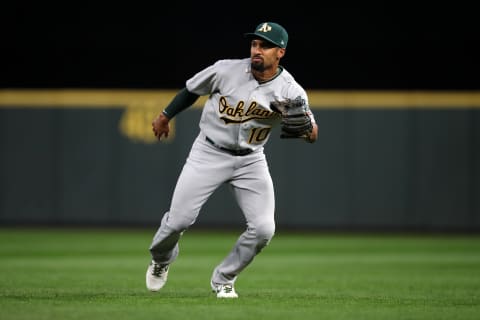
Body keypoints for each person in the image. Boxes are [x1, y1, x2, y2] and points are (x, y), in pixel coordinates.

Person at [146, 21, 318, 298]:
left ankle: (224, 278)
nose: (257, 50)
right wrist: (165, 116)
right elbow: (192, 90)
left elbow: (312, 134)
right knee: (178, 221)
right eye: (254, 44)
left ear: (280, 53)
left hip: (251, 160)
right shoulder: (226, 69)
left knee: (263, 229)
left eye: (265, 46)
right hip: (209, 152)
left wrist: (305, 127)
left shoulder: (290, 91)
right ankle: (161, 260)